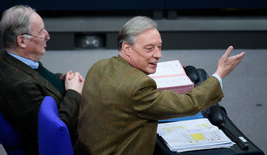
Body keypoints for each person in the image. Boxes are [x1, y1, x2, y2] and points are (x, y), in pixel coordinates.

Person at [76, 16, 245, 155]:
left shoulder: (99, 65)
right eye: (149, 48)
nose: (158, 55)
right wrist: (219, 75)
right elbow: (188, 104)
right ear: (127, 48)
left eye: (159, 47)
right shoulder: (138, 86)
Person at [0, 5, 84, 155]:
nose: (47, 35)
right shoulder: (19, 86)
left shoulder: (7, 57)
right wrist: (73, 92)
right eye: (41, 32)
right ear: (22, 41)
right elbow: (57, 132)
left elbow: (38, 76)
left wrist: (60, 79)